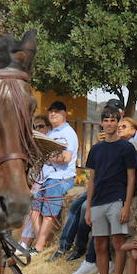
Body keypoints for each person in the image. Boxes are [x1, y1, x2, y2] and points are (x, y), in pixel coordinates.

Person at [83, 107, 137, 274]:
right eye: (105, 120)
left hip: (116, 200)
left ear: (118, 122)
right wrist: (88, 207)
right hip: (98, 201)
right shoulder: (96, 149)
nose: (109, 124)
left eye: (112, 120)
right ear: (102, 123)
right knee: (99, 244)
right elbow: (91, 179)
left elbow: (131, 178)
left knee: (118, 243)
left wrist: (126, 205)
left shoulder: (126, 148)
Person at [29, 101, 79, 254]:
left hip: (61, 177)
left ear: (64, 114)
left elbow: (65, 158)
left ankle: (38, 247)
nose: (52, 114)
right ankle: (43, 243)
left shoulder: (69, 133)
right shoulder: (51, 133)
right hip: (45, 178)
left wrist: (45, 155)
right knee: (33, 209)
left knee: (48, 211)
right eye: (51, 111)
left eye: (56, 111)